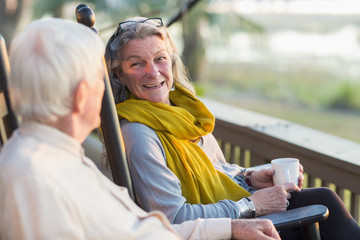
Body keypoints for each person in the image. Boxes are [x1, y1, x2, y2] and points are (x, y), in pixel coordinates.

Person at [0, 18, 281, 240]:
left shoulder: (56, 159)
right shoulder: (33, 176)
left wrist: (229, 227)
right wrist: (246, 209)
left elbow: (141, 230)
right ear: (81, 94)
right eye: (100, 81)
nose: (106, 93)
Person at [105, 16, 360, 240]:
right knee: (323, 207)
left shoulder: (183, 113)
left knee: (323, 199)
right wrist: (250, 206)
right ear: (118, 74)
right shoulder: (139, 134)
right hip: (221, 231)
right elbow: (174, 218)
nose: (152, 72)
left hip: (230, 219)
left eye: (159, 59)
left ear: (171, 63)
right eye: (137, 64)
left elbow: (216, 171)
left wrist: (249, 176)